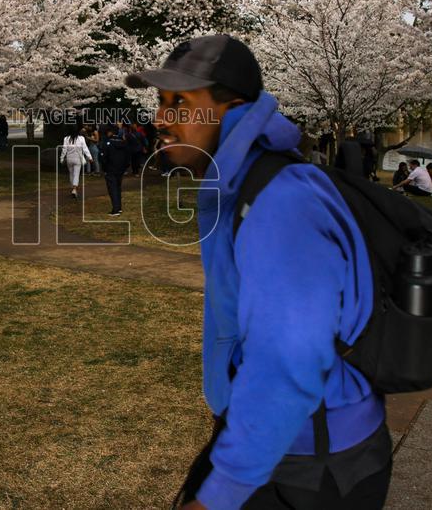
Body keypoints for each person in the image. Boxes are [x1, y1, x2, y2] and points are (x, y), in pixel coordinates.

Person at [126, 34, 393, 510]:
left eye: (181, 103)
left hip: (314, 459)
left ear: (234, 109)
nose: (162, 119)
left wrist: (221, 493)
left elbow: (288, 361)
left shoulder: (281, 201)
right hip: (274, 434)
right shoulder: (237, 181)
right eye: (161, 102)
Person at [99, 125, 129, 215]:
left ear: (110, 132)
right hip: (121, 169)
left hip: (110, 169)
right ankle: (118, 207)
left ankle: (115, 209)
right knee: (118, 188)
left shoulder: (108, 143)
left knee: (112, 189)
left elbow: (103, 157)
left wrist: (104, 167)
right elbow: (128, 156)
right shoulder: (123, 143)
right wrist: (125, 167)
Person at [60, 127, 93, 199]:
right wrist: (90, 157)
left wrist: (62, 158)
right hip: (77, 158)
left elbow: (64, 149)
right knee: (76, 174)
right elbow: (85, 148)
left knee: (71, 174)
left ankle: (73, 188)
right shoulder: (81, 138)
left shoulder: (66, 138)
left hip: (69, 158)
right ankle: (74, 189)